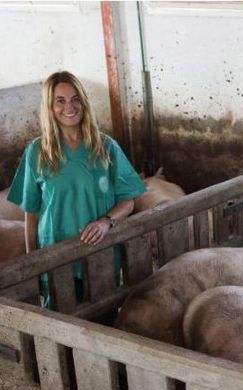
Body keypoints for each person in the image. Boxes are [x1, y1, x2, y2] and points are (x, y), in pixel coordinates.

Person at [8, 70, 145, 305]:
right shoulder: (37, 152)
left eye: (75, 98)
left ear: (83, 102)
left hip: (99, 252)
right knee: (60, 319)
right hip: (56, 255)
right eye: (59, 101)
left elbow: (128, 200)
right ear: (49, 108)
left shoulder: (106, 147)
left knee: (104, 314)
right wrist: (34, 263)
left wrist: (106, 221)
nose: (69, 107)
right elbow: (31, 213)